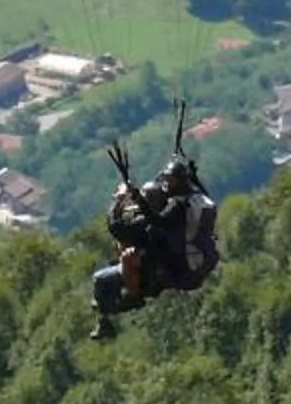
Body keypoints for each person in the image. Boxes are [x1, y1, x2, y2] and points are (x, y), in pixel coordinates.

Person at [90, 115, 217, 338]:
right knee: (119, 264)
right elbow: (192, 193)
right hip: (174, 271)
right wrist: (191, 175)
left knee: (100, 280)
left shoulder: (158, 220)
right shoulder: (189, 203)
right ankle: (127, 296)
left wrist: (120, 200)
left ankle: (109, 319)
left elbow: (116, 227)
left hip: (154, 276)